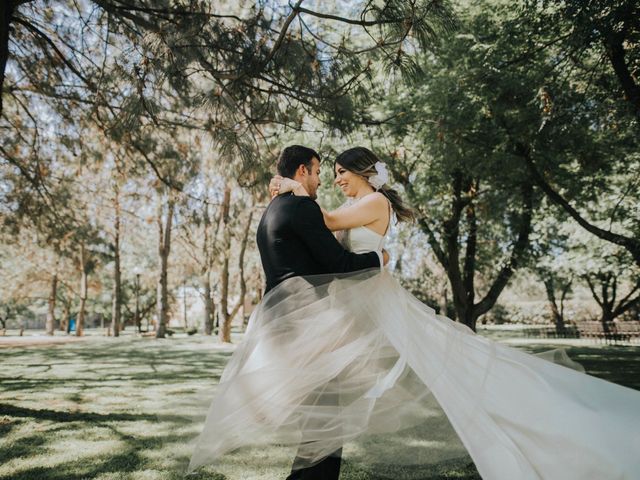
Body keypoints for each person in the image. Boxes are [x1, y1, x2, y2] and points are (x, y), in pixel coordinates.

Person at [189, 146, 640, 480]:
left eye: (343, 173)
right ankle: (313, 470)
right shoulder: (346, 204)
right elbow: (321, 222)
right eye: (330, 174)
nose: (337, 180)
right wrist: (295, 191)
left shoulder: (374, 202)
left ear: (364, 174)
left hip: (373, 304)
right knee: (348, 397)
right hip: (351, 310)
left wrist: (292, 189)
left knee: (445, 367)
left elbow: (322, 222)